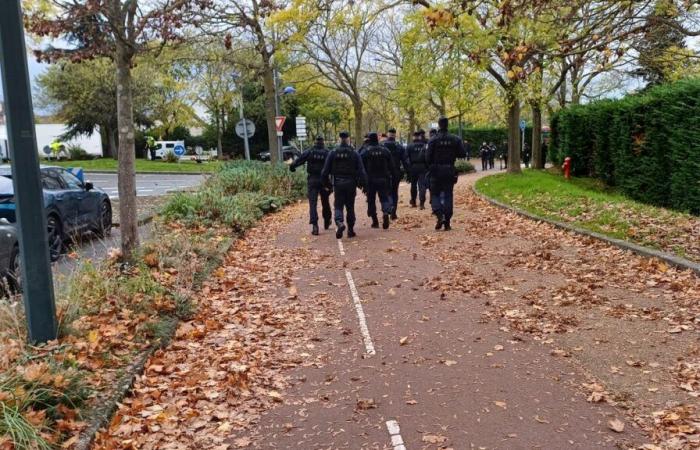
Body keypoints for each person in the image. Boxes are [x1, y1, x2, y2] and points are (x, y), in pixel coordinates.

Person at [321, 131, 367, 239]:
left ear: (339, 139)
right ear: (348, 138)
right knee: (350, 206)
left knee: (338, 205)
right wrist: (364, 184)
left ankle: (339, 222)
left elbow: (324, 172)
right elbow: (361, 170)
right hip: (351, 182)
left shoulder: (333, 152)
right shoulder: (354, 153)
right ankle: (350, 230)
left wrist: (327, 185)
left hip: (338, 183)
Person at [425, 117, 465, 231]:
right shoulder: (455, 139)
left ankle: (439, 215)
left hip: (435, 170)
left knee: (435, 194)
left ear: (439, 125)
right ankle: (447, 222)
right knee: (448, 194)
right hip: (449, 169)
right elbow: (462, 153)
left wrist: (431, 167)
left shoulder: (433, 140)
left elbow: (427, 157)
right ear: (448, 125)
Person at [290, 135, 332, 235]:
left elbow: (299, 160)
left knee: (313, 203)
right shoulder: (327, 153)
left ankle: (315, 226)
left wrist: (292, 167)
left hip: (312, 179)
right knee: (325, 201)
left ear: (315, 142)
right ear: (323, 142)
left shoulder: (310, 151)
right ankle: (327, 220)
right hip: (324, 180)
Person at [361, 132, 394, 229]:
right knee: (384, 198)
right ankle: (385, 212)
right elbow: (391, 165)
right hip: (383, 178)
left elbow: (360, 166)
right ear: (377, 139)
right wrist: (392, 176)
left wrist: (361, 181)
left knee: (371, 200)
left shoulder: (365, 151)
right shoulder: (385, 150)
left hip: (370, 180)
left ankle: (375, 220)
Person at [382, 128, 409, 220]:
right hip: (396, 171)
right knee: (394, 191)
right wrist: (408, 172)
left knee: (386, 191)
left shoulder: (382, 146)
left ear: (388, 134)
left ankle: (388, 206)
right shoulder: (399, 146)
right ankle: (393, 210)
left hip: (385, 172)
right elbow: (405, 160)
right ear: (395, 135)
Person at [406, 130, 429, 209]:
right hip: (422, 167)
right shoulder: (424, 145)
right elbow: (427, 157)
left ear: (413, 137)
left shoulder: (409, 146)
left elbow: (406, 158)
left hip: (413, 167)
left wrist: (408, 169)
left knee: (413, 185)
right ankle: (422, 203)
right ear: (420, 137)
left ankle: (413, 202)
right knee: (422, 185)